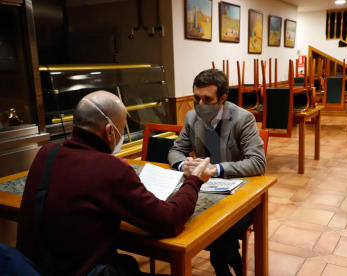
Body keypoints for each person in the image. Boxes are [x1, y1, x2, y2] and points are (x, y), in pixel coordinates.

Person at [16, 91, 216, 276]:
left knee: (127, 263)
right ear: (110, 131)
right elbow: (168, 221)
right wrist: (194, 180)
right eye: (122, 129)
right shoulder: (111, 168)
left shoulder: (46, 154)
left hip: (33, 269)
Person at [168, 69, 266, 276]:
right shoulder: (191, 116)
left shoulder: (243, 119)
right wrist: (181, 166)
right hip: (205, 191)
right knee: (180, 218)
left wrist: (217, 169)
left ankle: (223, 265)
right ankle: (234, 266)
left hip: (239, 194)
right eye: (196, 98)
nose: (200, 105)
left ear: (222, 98)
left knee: (220, 241)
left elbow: (258, 163)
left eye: (207, 99)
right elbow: (176, 150)